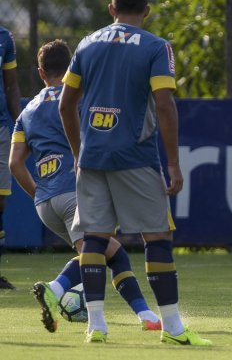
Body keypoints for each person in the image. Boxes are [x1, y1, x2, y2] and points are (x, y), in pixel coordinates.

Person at [58, 0, 211, 345]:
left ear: (111, 10)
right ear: (147, 11)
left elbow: (66, 105)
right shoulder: (157, 47)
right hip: (135, 156)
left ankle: (96, 325)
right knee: (157, 236)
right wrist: (173, 163)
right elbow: (164, 104)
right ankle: (172, 327)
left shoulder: (86, 44)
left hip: (93, 156)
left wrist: (79, 152)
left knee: (94, 238)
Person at [10, 39, 162, 333]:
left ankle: (145, 316)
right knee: (101, 253)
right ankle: (55, 289)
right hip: (76, 193)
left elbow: (15, 164)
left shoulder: (26, 113)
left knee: (109, 252)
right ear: (70, 68)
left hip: (45, 203)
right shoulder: (80, 99)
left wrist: (38, 193)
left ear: (41, 73)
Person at [0, 24, 22, 290]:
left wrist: (21, 128)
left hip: (1, 129)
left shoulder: (4, 37)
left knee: (1, 202)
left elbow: (12, 87)